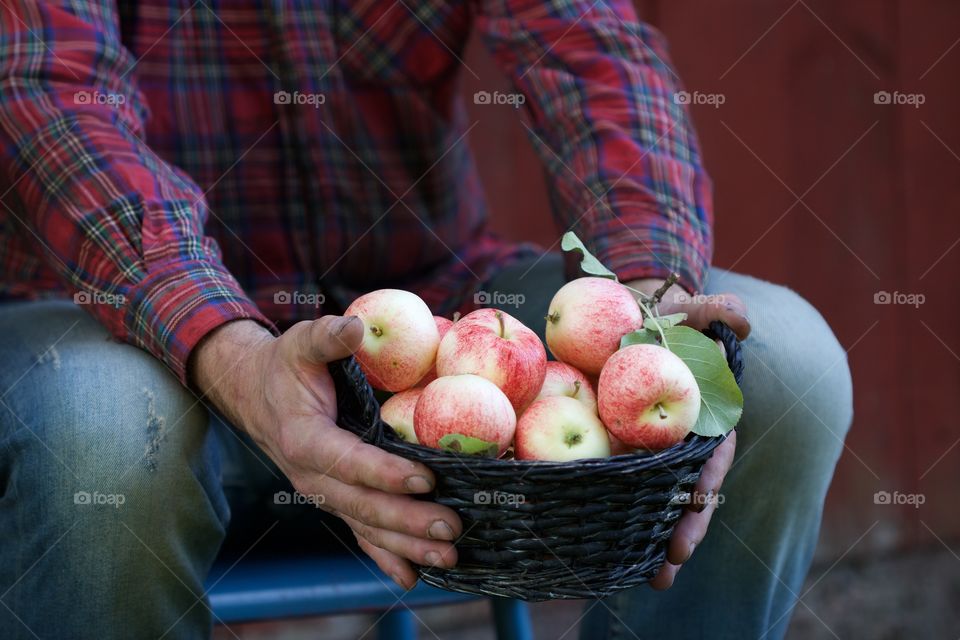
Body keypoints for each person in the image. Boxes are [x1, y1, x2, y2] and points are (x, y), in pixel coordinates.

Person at [0, 1, 852, 639]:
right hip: (116, 320)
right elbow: (48, 87)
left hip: (433, 324)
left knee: (783, 367)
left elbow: (593, 52)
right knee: (100, 424)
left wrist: (651, 308)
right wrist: (227, 347)